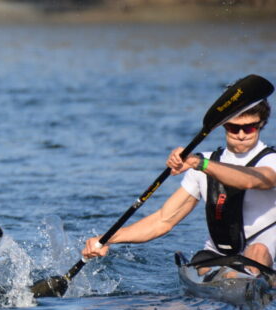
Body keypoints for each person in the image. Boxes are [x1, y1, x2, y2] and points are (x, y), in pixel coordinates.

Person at [82, 99, 276, 277]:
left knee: (257, 251)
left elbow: (252, 180)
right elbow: (163, 220)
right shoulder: (202, 163)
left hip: (262, 255)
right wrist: (107, 239)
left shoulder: (271, 161)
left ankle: (245, 287)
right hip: (218, 254)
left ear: (260, 125)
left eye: (250, 128)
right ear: (224, 125)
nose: (241, 135)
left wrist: (199, 163)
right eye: (234, 128)